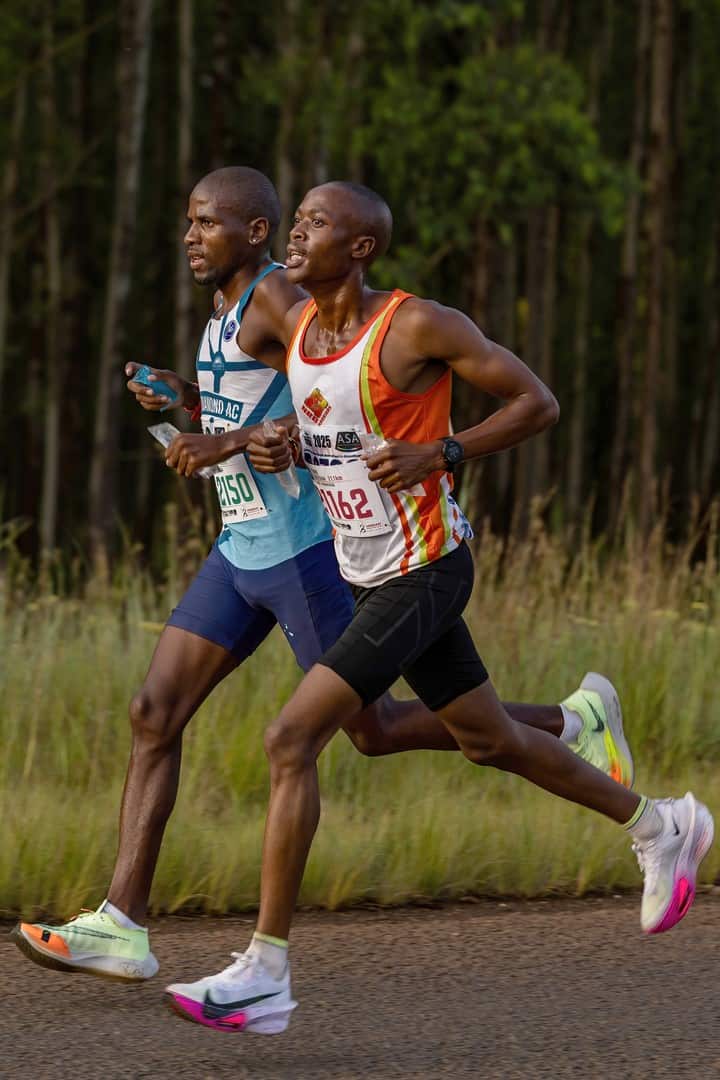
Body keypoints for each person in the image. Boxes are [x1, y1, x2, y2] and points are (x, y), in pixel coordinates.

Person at [11, 169, 632, 984]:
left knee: (370, 730)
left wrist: (231, 442)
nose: (191, 236)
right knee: (154, 712)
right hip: (242, 547)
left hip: (305, 552)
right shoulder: (227, 307)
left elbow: (323, 401)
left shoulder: (280, 297)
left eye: (207, 222)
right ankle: (121, 924)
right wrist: (188, 400)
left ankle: (569, 722)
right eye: (188, 221)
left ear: (256, 232)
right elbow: (264, 400)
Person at [163, 181, 713, 1035]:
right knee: (488, 739)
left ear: (361, 249)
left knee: (289, 739)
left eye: (315, 224)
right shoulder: (297, 330)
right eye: (296, 221)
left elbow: (537, 402)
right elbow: (321, 427)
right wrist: (272, 443)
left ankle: (265, 972)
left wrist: (444, 452)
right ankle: (660, 823)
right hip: (365, 571)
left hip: (426, 570)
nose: (296, 236)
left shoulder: (415, 326)